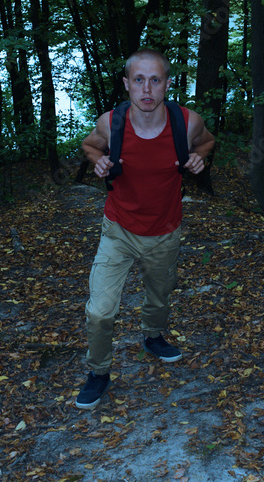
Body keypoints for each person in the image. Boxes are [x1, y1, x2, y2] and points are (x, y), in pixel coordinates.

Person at [75, 47, 215, 409]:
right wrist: (99, 159)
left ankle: (153, 336)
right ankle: (99, 372)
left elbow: (207, 141)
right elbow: (89, 144)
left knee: (159, 297)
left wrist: (200, 157)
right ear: (127, 84)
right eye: (139, 80)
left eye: (155, 80)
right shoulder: (112, 123)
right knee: (100, 310)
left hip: (165, 231)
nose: (147, 89)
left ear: (167, 84)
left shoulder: (187, 122)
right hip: (118, 230)